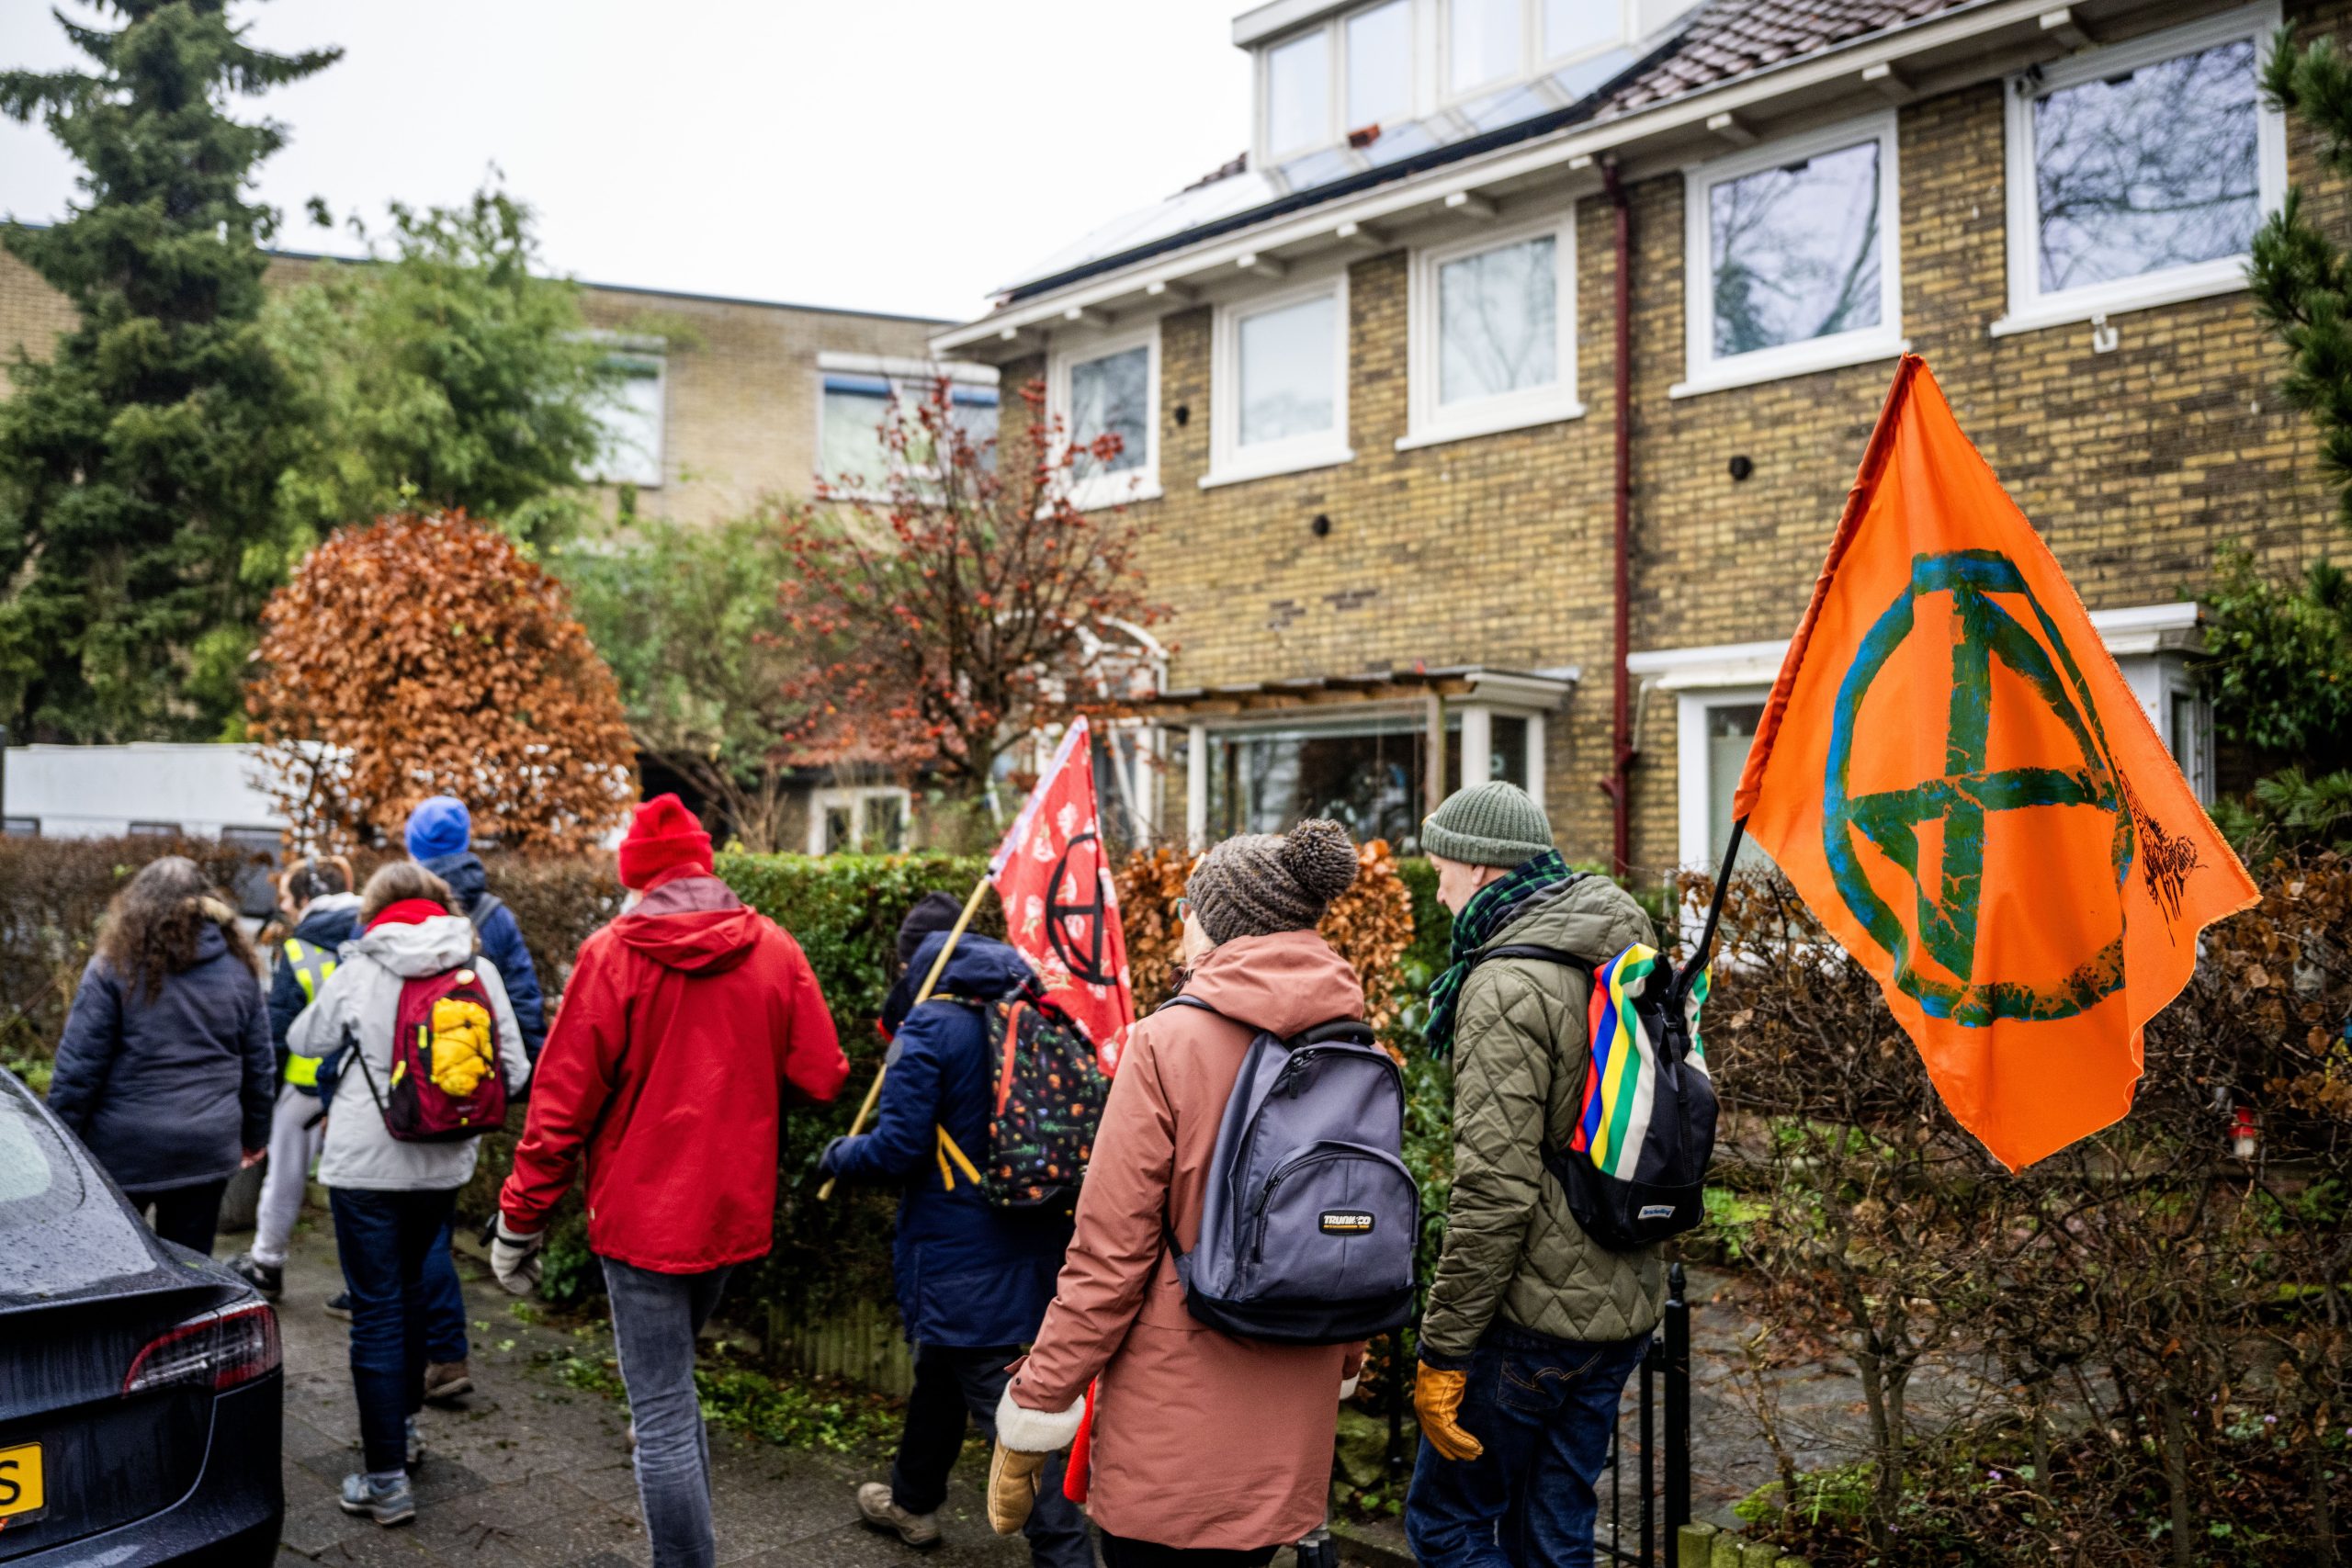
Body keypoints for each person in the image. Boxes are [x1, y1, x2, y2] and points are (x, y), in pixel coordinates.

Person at [989, 818, 1366, 1567]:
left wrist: (1035, 1407)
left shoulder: (1167, 1041)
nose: (1181, 919)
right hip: (1295, 1400)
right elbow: (1350, 1235)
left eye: (1190, 905)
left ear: (1219, 921)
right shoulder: (1354, 1039)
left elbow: (1108, 1256)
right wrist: (1347, 1360)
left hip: (1173, 1425)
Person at [491, 795, 848, 1568]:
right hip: (729, 1215)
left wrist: (518, 1222)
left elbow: (558, 1110)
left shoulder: (610, 955)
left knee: (657, 1415)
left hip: (640, 1223)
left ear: (639, 877)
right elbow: (823, 1074)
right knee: (674, 1399)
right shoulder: (776, 949)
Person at [1401, 782, 1666, 1568]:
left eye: (1443, 865)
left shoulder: (1505, 983)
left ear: (1482, 868)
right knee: (1556, 1533)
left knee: (1449, 1527)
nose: (1438, 885)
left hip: (1529, 1321)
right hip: (1623, 1300)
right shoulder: (1625, 952)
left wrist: (1444, 1351)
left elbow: (1494, 1190)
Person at [819, 901, 1091, 1568]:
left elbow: (898, 1149)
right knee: (941, 1369)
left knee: (1016, 1421)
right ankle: (912, 1501)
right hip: (1030, 1240)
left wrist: (838, 1155)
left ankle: (1069, 1554)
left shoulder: (930, 1026)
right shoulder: (1034, 1015)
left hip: (960, 1258)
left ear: (921, 963)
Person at [291, 862, 532, 1527]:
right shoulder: (474, 969)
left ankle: (385, 1478)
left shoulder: (361, 967)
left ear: (375, 908)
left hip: (364, 1169)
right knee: (412, 1295)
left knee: (376, 1308)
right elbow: (514, 1071)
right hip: (441, 1167)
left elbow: (302, 1039)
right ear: (441, 903)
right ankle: (405, 1432)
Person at [323, 795, 547, 1399]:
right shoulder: (493, 913)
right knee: (434, 1229)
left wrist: (330, 1085)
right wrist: (513, 1082)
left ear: (412, 846)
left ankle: (427, 1368)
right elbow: (523, 998)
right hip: (469, 1097)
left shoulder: (384, 911)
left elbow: (345, 1016)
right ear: (469, 839)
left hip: (391, 1106)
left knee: (399, 1251)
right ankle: (443, 1359)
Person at [48, 855, 274, 1256]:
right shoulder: (240, 969)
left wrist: (58, 1146)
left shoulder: (113, 967)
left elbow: (78, 1070)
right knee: (189, 1270)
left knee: (114, 1265)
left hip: (123, 1149)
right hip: (206, 1148)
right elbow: (259, 1064)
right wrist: (256, 1137)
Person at [228, 855, 362, 1298]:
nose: (282, 907)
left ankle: (266, 1264)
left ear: (306, 899)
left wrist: (262, 1097)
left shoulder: (300, 947)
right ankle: (364, 1285)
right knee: (357, 1187)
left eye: (285, 897)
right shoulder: (371, 935)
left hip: (304, 1088)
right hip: (363, 1087)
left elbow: (279, 1030)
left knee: (284, 1179)